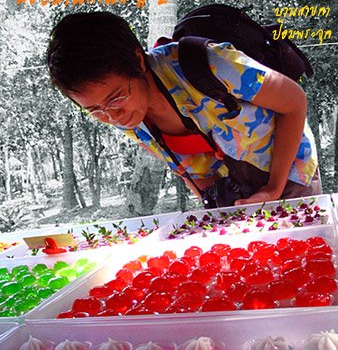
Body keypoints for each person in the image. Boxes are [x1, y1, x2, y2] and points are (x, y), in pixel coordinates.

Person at [46, 11, 322, 208]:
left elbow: (295, 101)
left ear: (138, 61)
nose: (112, 116)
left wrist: (274, 188)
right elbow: (184, 164)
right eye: (95, 109)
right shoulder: (123, 116)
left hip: (287, 172)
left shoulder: (210, 63)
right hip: (233, 187)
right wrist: (214, 206)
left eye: (116, 98)